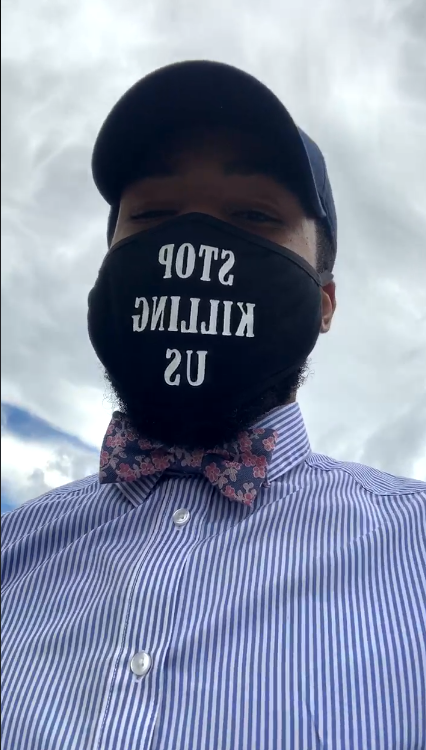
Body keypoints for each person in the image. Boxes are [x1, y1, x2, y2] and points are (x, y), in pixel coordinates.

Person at [2, 61, 425, 750]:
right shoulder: (12, 551)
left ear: (325, 302)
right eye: (154, 215)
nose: (192, 244)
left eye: (254, 216)